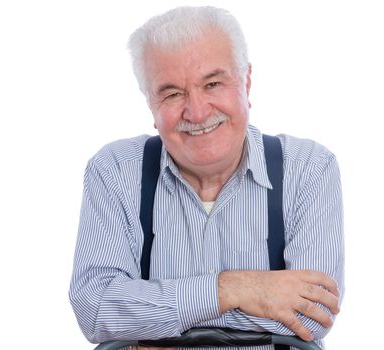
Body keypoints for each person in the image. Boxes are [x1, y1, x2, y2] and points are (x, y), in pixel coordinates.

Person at [69, 6, 344, 350]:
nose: (197, 112)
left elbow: (311, 315)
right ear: (151, 105)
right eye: (172, 94)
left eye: (212, 83)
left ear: (246, 82)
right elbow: (96, 311)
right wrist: (235, 289)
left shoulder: (307, 168)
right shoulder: (114, 170)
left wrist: (149, 321)